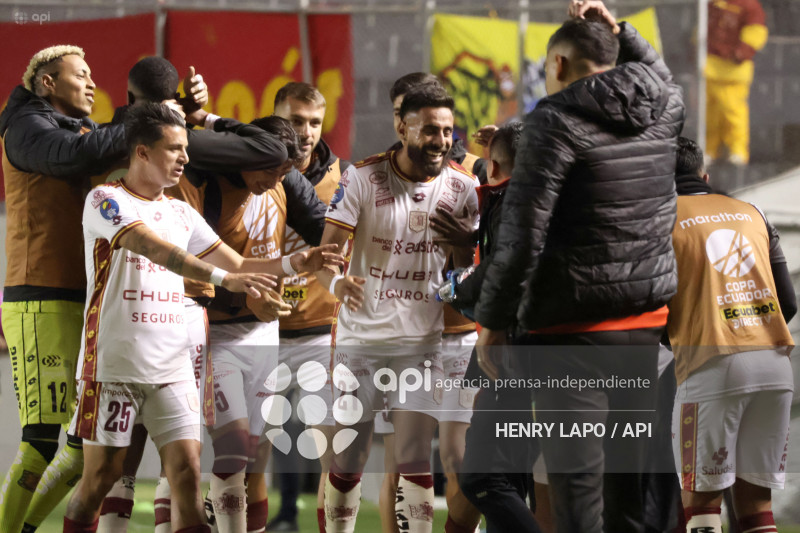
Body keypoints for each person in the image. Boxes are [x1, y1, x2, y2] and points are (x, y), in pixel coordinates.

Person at [474, 1, 685, 531]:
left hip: (570, 334)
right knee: (628, 500)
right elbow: (659, 73)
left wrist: (493, 321)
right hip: (643, 330)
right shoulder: (665, 105)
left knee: (577, 500)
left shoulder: (553, 119)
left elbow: (523, 233)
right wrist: (620, 29)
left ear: (559, 64)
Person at [61, 101, 292, 532]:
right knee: (100, 479)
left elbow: (240, 264)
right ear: (142, 152)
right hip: (114, 368)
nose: (185, 157)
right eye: (174, 148)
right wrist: (224, 279)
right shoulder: (105, 200)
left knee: (187, 470)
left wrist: (300, 263)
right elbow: (153, 248)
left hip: (173, 369)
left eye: (187, 147)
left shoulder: (182, 212)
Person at [316, 82, 478, 533]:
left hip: (421, 344)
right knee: (348, 460)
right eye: (429, 130)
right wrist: (337, 282)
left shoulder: (464, 187)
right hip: (360, 343)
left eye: (446, 131)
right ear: (402, 129)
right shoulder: (362, 178)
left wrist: (464, 251)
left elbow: (461, 277)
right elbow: (325, 257)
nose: (441, 141)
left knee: (413, 460)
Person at [168, 114, 329, 533]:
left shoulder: (283, 184)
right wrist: (244, 297)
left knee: (253, 459)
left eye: (284, 171)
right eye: (270, 168)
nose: (275, 179)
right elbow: (193, 275)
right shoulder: (206, 185)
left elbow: (321, 228)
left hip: (263, 336)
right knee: (232, 447)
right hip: (215, 334)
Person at [0, 45, 128, 533]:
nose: (92, 83)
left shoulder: (81, 131)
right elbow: (78, 154)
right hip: (39, 296)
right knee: (40, 442)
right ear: (48, 83)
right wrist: (144, 119)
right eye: (81, 74)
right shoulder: (25, 128)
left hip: (83, 299)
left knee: (82, 449)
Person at [667, 137, 795, 533]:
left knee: (702, 505)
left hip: (712, 365)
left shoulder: (660, 219)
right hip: (775, 365)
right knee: (757, 507)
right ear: (704, 177)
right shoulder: (752, 212)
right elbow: (788, 301)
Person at [381, 72, 482, 533]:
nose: (403, 124)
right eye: (400, 114)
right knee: (401, 459)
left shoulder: (475, 176)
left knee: (459, 456)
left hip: (460, 334)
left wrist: (467, 246)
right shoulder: (377, 178)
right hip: (406, 337)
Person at [443, 122, 547, 533]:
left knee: (481, 478)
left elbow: (506, 266)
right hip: (553, 353)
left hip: (513, 351)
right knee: (511, 477)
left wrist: (457, 288)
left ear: (495, 165)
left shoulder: (518, 205)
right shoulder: (548, 196)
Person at [269, 81, 354, 533]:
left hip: (321, 333)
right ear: (276, 118)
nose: (305, 132)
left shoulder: (347, 178)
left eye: (314, 122)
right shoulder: (248, 172)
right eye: (296, 120)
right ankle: (281, 515)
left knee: (331, 448)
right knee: (251, 451)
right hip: (259, 332)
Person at [705, 0, 768, 166]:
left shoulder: (748, 6)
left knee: (733, 112)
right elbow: (703, 28)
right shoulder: (715, 3)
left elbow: (756, 32)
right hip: (710, 67)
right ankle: (710, 149)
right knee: (710, 114)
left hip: (733, 71)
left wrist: (741, 52)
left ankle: (737, 151)